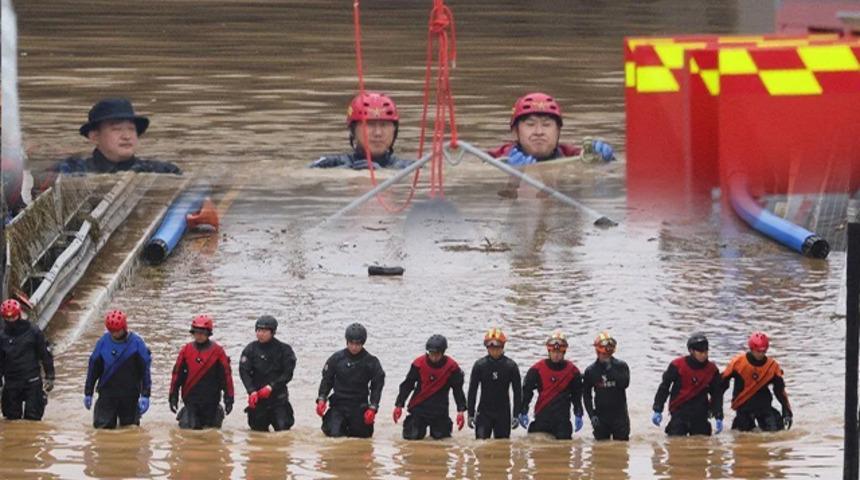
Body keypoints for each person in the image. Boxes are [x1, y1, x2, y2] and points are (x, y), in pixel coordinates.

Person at [489, 92, 615, 198]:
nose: (539, 132)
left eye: (546, 125)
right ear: (515, 132)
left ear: (558, 131)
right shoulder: (496, 158)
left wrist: (603, 161)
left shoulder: (573, 156)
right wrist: (511, 176)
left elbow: (602, 175)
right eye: (530, 124)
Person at [52, 98, 181, 175]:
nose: (126, 136)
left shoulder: (163, 171)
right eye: (116, 129)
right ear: (95, 136)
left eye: (131, 129)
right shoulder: (70, 170)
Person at [84, 310, 152, 429]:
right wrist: (88, 392)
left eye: (117, 331)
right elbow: (93, 368)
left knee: (130, 429)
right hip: (107, 393)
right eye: (112, 331)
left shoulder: (136, 343)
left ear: (124, 327)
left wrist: (145, 394)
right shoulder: (103, 343)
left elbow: (145, 370)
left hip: (130, 394)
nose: (114, 334)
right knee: (102, 429)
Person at [309, 92, 414, 170]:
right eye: (370, 125)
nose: (378, 133)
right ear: (353, 130)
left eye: (384, 125)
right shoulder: (329, 164)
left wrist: (381, 174)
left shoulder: (411, 167)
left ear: (394, 130)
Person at [315, 322, 386, 438]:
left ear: (363, 343)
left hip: (359, 406)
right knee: (334, 436)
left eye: (357, 344)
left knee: (362, 438)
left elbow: (377, 386)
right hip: (338, 405)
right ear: (346, 341)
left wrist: (373, 407)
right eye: (351, 343)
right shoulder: (336, 359)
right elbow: (327, 380)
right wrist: (322, 398)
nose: (354, 347)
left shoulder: (371, 362)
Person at [393, 334, 467, 440]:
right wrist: (399, 405)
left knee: (442, 442)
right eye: (431, 353)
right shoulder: (418, 364)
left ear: (443, 353)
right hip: (419, 408)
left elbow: (458, 391)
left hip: (440, 410)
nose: (434, 357)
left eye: (437, 354)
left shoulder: (452, 368)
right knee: (411, 439)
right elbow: (407, 385)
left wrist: (460, 411)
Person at [168, 315, 235, 430]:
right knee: (189, 433)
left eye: (202, 333)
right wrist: (173, 396)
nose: (199, 335)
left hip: (211, 402)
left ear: (208, 333)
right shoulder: (186, 350)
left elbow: (226, 376)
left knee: (211, 434)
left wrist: (229, 398)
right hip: (191, 401)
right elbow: (177, 375)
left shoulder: (218, 352)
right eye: (196, 332)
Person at [652, 333, 724, 436]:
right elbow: (664, 387)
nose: (704, 354)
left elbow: (717, 394)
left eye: (706, 351)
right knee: (675, 446)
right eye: (700, 352)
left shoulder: (712, 370)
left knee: (702, 447)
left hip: (701, 414)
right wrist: (658, 409)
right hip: (679, 412)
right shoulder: (677, 365)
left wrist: (718, 416)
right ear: (691, 351)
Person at [519, 331, 584, 439]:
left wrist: (578, 413)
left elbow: (577, 396)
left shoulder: (573, 371)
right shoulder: (537, 369)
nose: (556, 354)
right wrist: (523, 410)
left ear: (564, 352)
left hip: (562, 421)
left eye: (559, 351)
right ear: (549, 351)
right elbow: (527, 391)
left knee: (563, 450)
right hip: (542, 418)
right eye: (553, 351)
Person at [721, 331, 792, 432]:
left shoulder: (772, 366)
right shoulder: (738, 363)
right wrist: (715, 406)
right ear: (751, 349)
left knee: (776, 432)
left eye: (764, 351)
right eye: (758, 351)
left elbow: (780, 391)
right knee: (741, 438)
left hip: (764, 406)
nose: (761, 354)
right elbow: (721, 384)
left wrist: (787, 410)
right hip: (744, 408)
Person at [239, 315, 297, 432]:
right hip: (258, 400)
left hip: (278, 399)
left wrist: (271, 387)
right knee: (257, 435)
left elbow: (288, 374)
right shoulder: (250, 350)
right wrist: (251, 391)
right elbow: (244, 372)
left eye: (264, 331)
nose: (260, 334)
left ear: (273, 332)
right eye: (258, 330)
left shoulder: (285, 350)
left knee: (283, 432)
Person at [0, 299, 55, 421]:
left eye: (13, 318)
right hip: (11, 383)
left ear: (19, 315)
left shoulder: (34, 332)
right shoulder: (2, 336)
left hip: (32, 382)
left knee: (33, 419)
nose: (10, 321)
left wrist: (50, 376)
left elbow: (45, 355)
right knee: (11, 420)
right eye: (7, 319)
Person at [466, 328, 522, 439]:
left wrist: (516, 415)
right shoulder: (479, 365)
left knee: (503, 448)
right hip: (483, 413)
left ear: (502, 347)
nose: (494, 351)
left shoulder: (511, 366)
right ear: (487, 348)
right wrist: (470, 414)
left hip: (503, 413)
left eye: (497, 348)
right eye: (491, 348)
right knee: (480, 446)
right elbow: (472, 390)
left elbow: (517, 392)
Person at [582, 331, 630, 441]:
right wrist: (591, 415)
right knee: (600, 451)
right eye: (603, 354)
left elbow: (625, 384)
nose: (605, 357)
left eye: (608, 355)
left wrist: (611, 370)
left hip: (620, 417)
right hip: (601, 417)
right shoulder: (591, 371)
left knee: (622, 450)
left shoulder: (621, 366)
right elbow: (586, 396)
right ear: (597, 352)